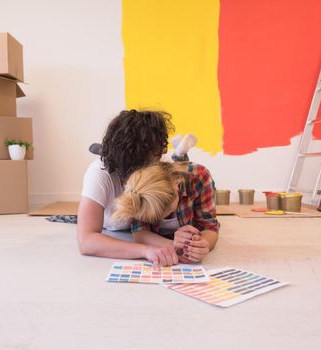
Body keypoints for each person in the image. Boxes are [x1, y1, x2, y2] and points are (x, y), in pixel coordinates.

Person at [77, 109, 219, 267]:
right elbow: (87, 241)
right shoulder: (99, 174)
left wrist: (193, 245)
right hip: (115, 231)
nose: (162, 157)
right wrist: (147, 251)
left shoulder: (169, 172)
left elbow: (209, 227)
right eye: (155, 155)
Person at [112, 161, 219, 264]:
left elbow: (210, 227)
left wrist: (203, 246)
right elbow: (140, 232)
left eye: (168, 212)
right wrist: (173, 245)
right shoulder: (140, 189)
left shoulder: (198, 176)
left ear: (176, 186)